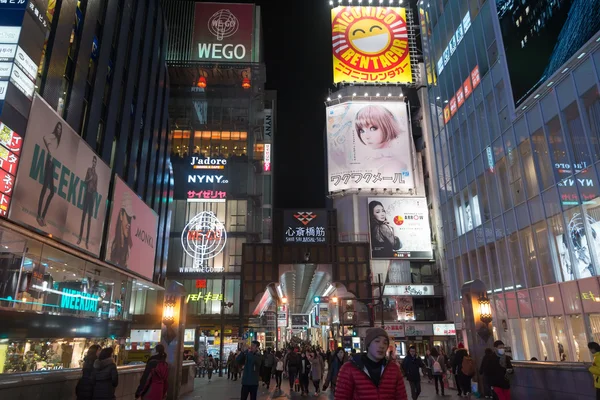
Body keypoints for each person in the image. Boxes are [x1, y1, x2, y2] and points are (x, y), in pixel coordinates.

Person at [335, 328, 407, 400]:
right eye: (377, 341)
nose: (382, 346)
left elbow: (402, 397)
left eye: (385, 343)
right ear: (368, 345)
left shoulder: (393, 369)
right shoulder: (349, 368)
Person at [37, 122, 62, 227]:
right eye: (58, 128)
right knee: (45, 189)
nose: (59, 130)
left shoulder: (57, 140)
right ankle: (39, 216)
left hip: (52, 165)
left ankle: (42, 216)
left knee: (51, 192)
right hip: (49, 163)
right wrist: (49, 150)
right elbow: (45, 137)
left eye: (60, 129)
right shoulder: (53, 136)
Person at [109, 191, 135, 268]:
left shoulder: (128, 250)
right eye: (127, 217)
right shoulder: (111, 245)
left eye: (130, 218)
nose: (129, 224)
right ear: (121, 214)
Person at [77, 155, 98, 248]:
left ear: (96, 164)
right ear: (92, 162)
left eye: (95, 162)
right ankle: (80, 238)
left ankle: (86, 242)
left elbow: (96, 188)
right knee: (83, 217)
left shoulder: (96, 176)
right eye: (93, 161)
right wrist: (89, 179)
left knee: (89, 219)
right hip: (87, 195)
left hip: (91, 198)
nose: (94, 163)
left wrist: (94, 190)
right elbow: (84, 181)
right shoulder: (89, 170)